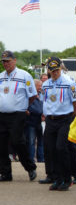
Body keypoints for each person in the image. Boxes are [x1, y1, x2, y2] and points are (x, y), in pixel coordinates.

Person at [42, 57, 76, 191]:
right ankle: (57, 179)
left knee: (61, 148)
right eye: (52, 70)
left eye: (56, 70)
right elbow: (45, 101)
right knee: (51, 149)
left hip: (65, 119)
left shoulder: (69, 83)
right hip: (51, 120)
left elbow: (75, 102)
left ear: (60, 69)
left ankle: (67, 179)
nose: (54, 73)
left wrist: (71, 118)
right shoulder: (46, 84)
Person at [0, 50, 37, 181]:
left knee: (17, 141)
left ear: (14, 60)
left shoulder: (24, 75)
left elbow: (32, 95)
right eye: (4, 61)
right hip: (2, 115)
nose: (6, 64)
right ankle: (5, 173)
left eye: (8, 61)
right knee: (2, 144)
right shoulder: (1, 76)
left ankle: (30, 167)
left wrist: (24, 107)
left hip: (17, 114)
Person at [24, 79, 44, 163]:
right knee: (31, 141)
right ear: (35, 86)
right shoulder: (29, 95)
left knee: (41, 141)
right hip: (31, 122)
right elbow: (28, 106)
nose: (41, 87)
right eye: (39, 85)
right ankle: (31, 159)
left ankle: (41, 159)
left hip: (39, 121)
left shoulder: (41, 95)